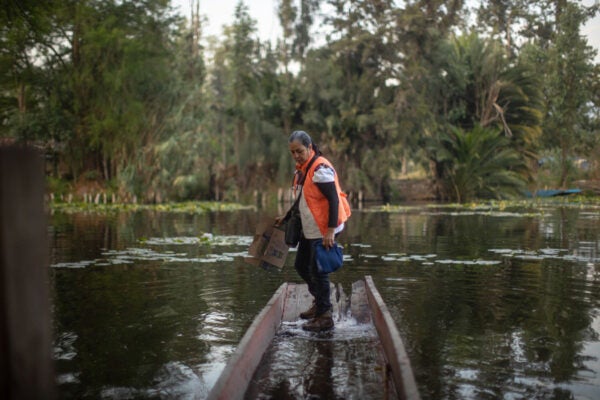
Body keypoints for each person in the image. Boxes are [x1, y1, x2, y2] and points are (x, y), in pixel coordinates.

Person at [278, 130, 351, 332]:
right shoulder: (303, 169)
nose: (296, 156)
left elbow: (334, 199)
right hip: (311, 226)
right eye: (292, 152)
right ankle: (320, 302)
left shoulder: (320, 169)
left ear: (310, 148)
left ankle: (325, 316)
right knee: (302, 265)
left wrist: (330, 231)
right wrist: (286, 216)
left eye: (299, 151)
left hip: (326, 226)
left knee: (318, 270)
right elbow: (303, 198)